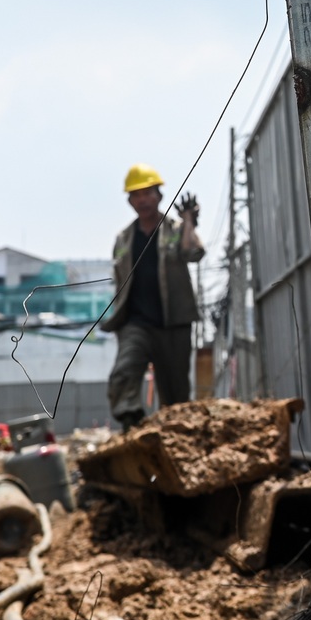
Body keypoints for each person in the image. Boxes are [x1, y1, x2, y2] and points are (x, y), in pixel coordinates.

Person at [104, 163, 204, 430]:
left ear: (159, 196)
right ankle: (131, 425)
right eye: (137, 194)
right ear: (130, 201)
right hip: (136, 322)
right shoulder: (124, 238)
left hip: (173, 323)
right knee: (124, 372)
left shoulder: (174, 229)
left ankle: (176, 438)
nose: (143, 199)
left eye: (148, 192)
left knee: (175, 396)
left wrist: (189, 223)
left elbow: (194, 253)